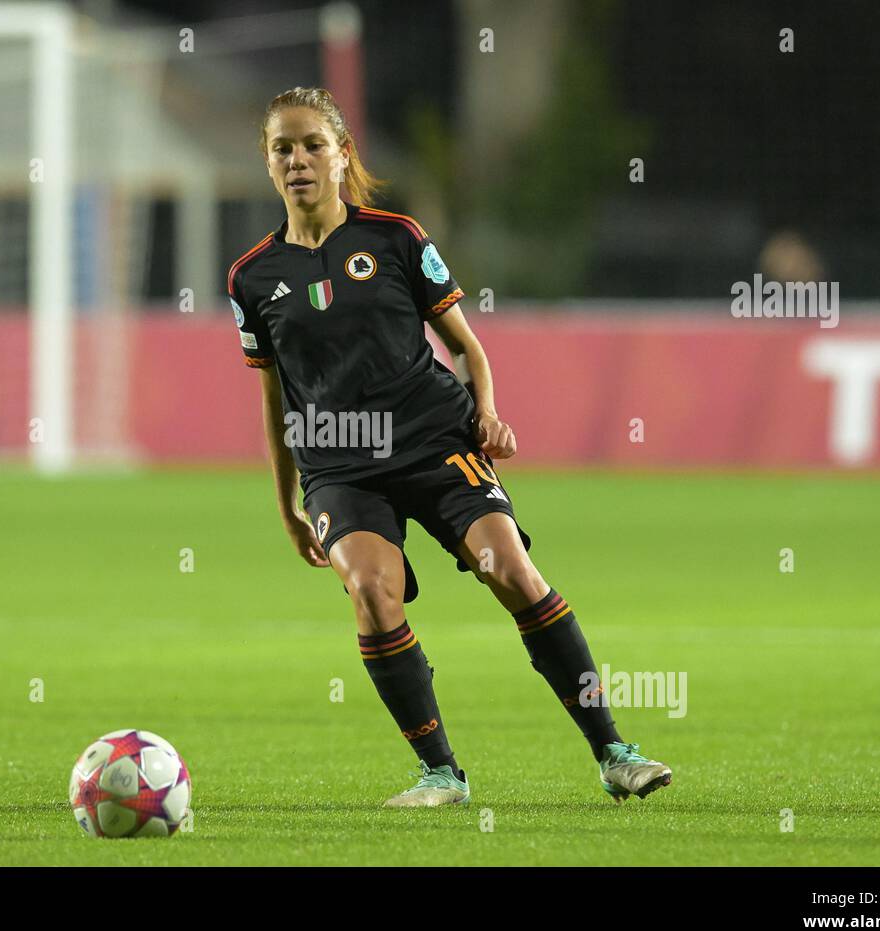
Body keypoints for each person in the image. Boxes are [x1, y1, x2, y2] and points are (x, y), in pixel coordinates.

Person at [227, 87, 671, 806]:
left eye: (313, 144)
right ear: (268, 163)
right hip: (338, 465)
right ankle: (441, 773)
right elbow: (274, 393)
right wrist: (285, 504)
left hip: (433, 439)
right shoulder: (252, 277)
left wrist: (488, 413)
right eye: (283, 147)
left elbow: (467, 347)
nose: (299, 159)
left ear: (343, 155)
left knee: (512, 572)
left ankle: (614, 751)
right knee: (372, 592)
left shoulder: (397, 238)